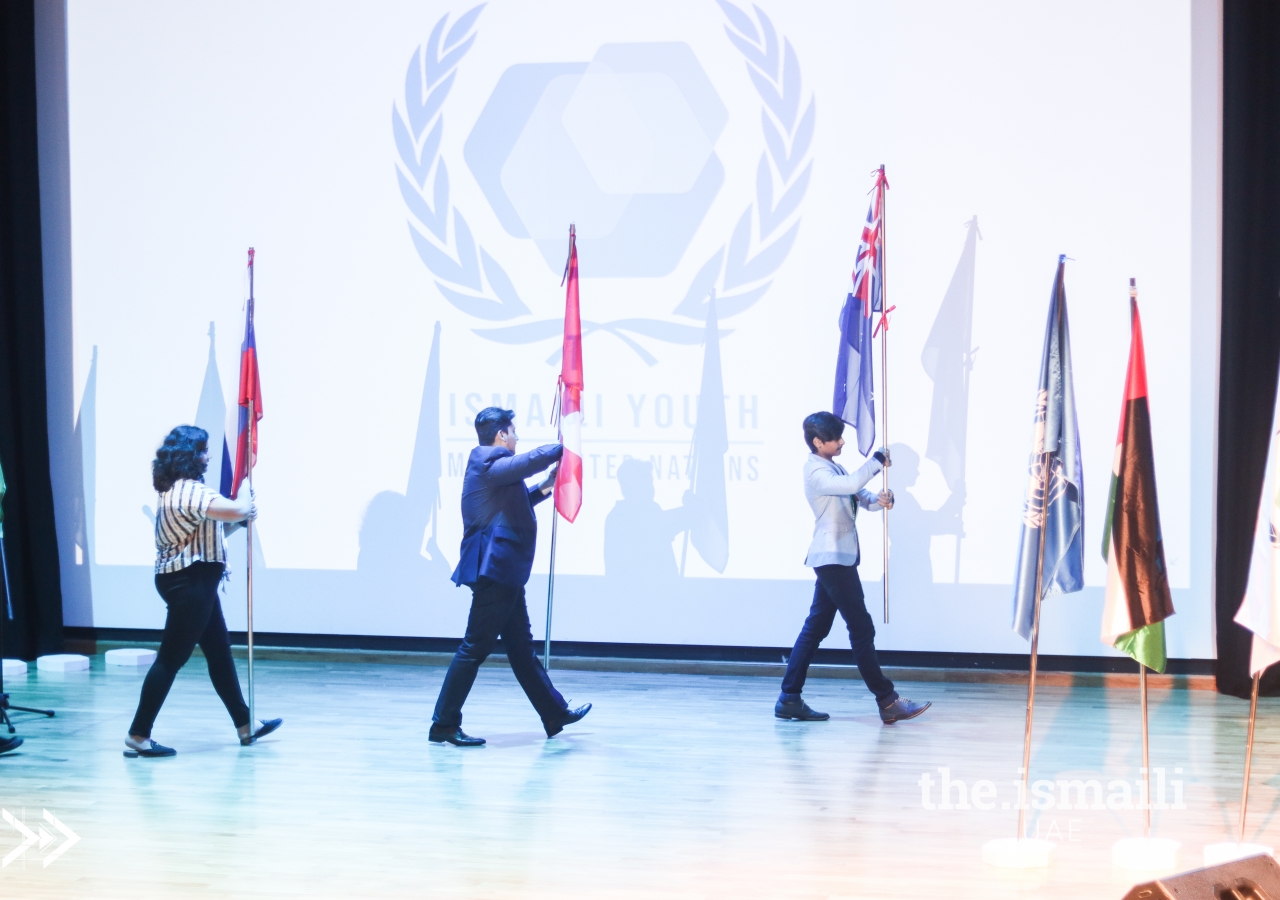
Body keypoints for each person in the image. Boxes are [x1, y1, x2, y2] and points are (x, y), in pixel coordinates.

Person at [429, 408, 591, 747]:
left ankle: (554, 713)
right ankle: (443, 724)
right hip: (495, 572)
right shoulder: (489, 461)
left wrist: (546, 488)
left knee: (520, 649)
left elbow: (516, 505)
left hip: (505, 572)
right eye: (514, 432)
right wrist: (566, 446)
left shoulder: (494, 470)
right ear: (501, 434)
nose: (516, 438)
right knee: (474, 648)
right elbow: (530, 461)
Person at [124, 425, 282, 758]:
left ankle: (245, 724)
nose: (208, 456)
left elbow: (212, 532)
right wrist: (245, 489)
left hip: (192, 582)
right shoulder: (190, 491)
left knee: (219, 656)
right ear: (191, 455)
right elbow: (239, 510)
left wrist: (239, 515)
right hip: (190, 584)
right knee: (170, 660)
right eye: (204, 450)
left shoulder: (176, 491)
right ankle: (138, 734)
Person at [775, 411, 931, 725]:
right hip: (832, 558)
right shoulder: (815, 471)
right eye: (836, 438)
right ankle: (887, 701)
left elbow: (859, 494)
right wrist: (876, 461)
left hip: (837, 558)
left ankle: (789, 698)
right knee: (861, 629)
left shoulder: (832, 466)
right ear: (819, 442)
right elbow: (849, 483)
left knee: (815, 629)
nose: (842, 441)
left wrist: (880, 499)